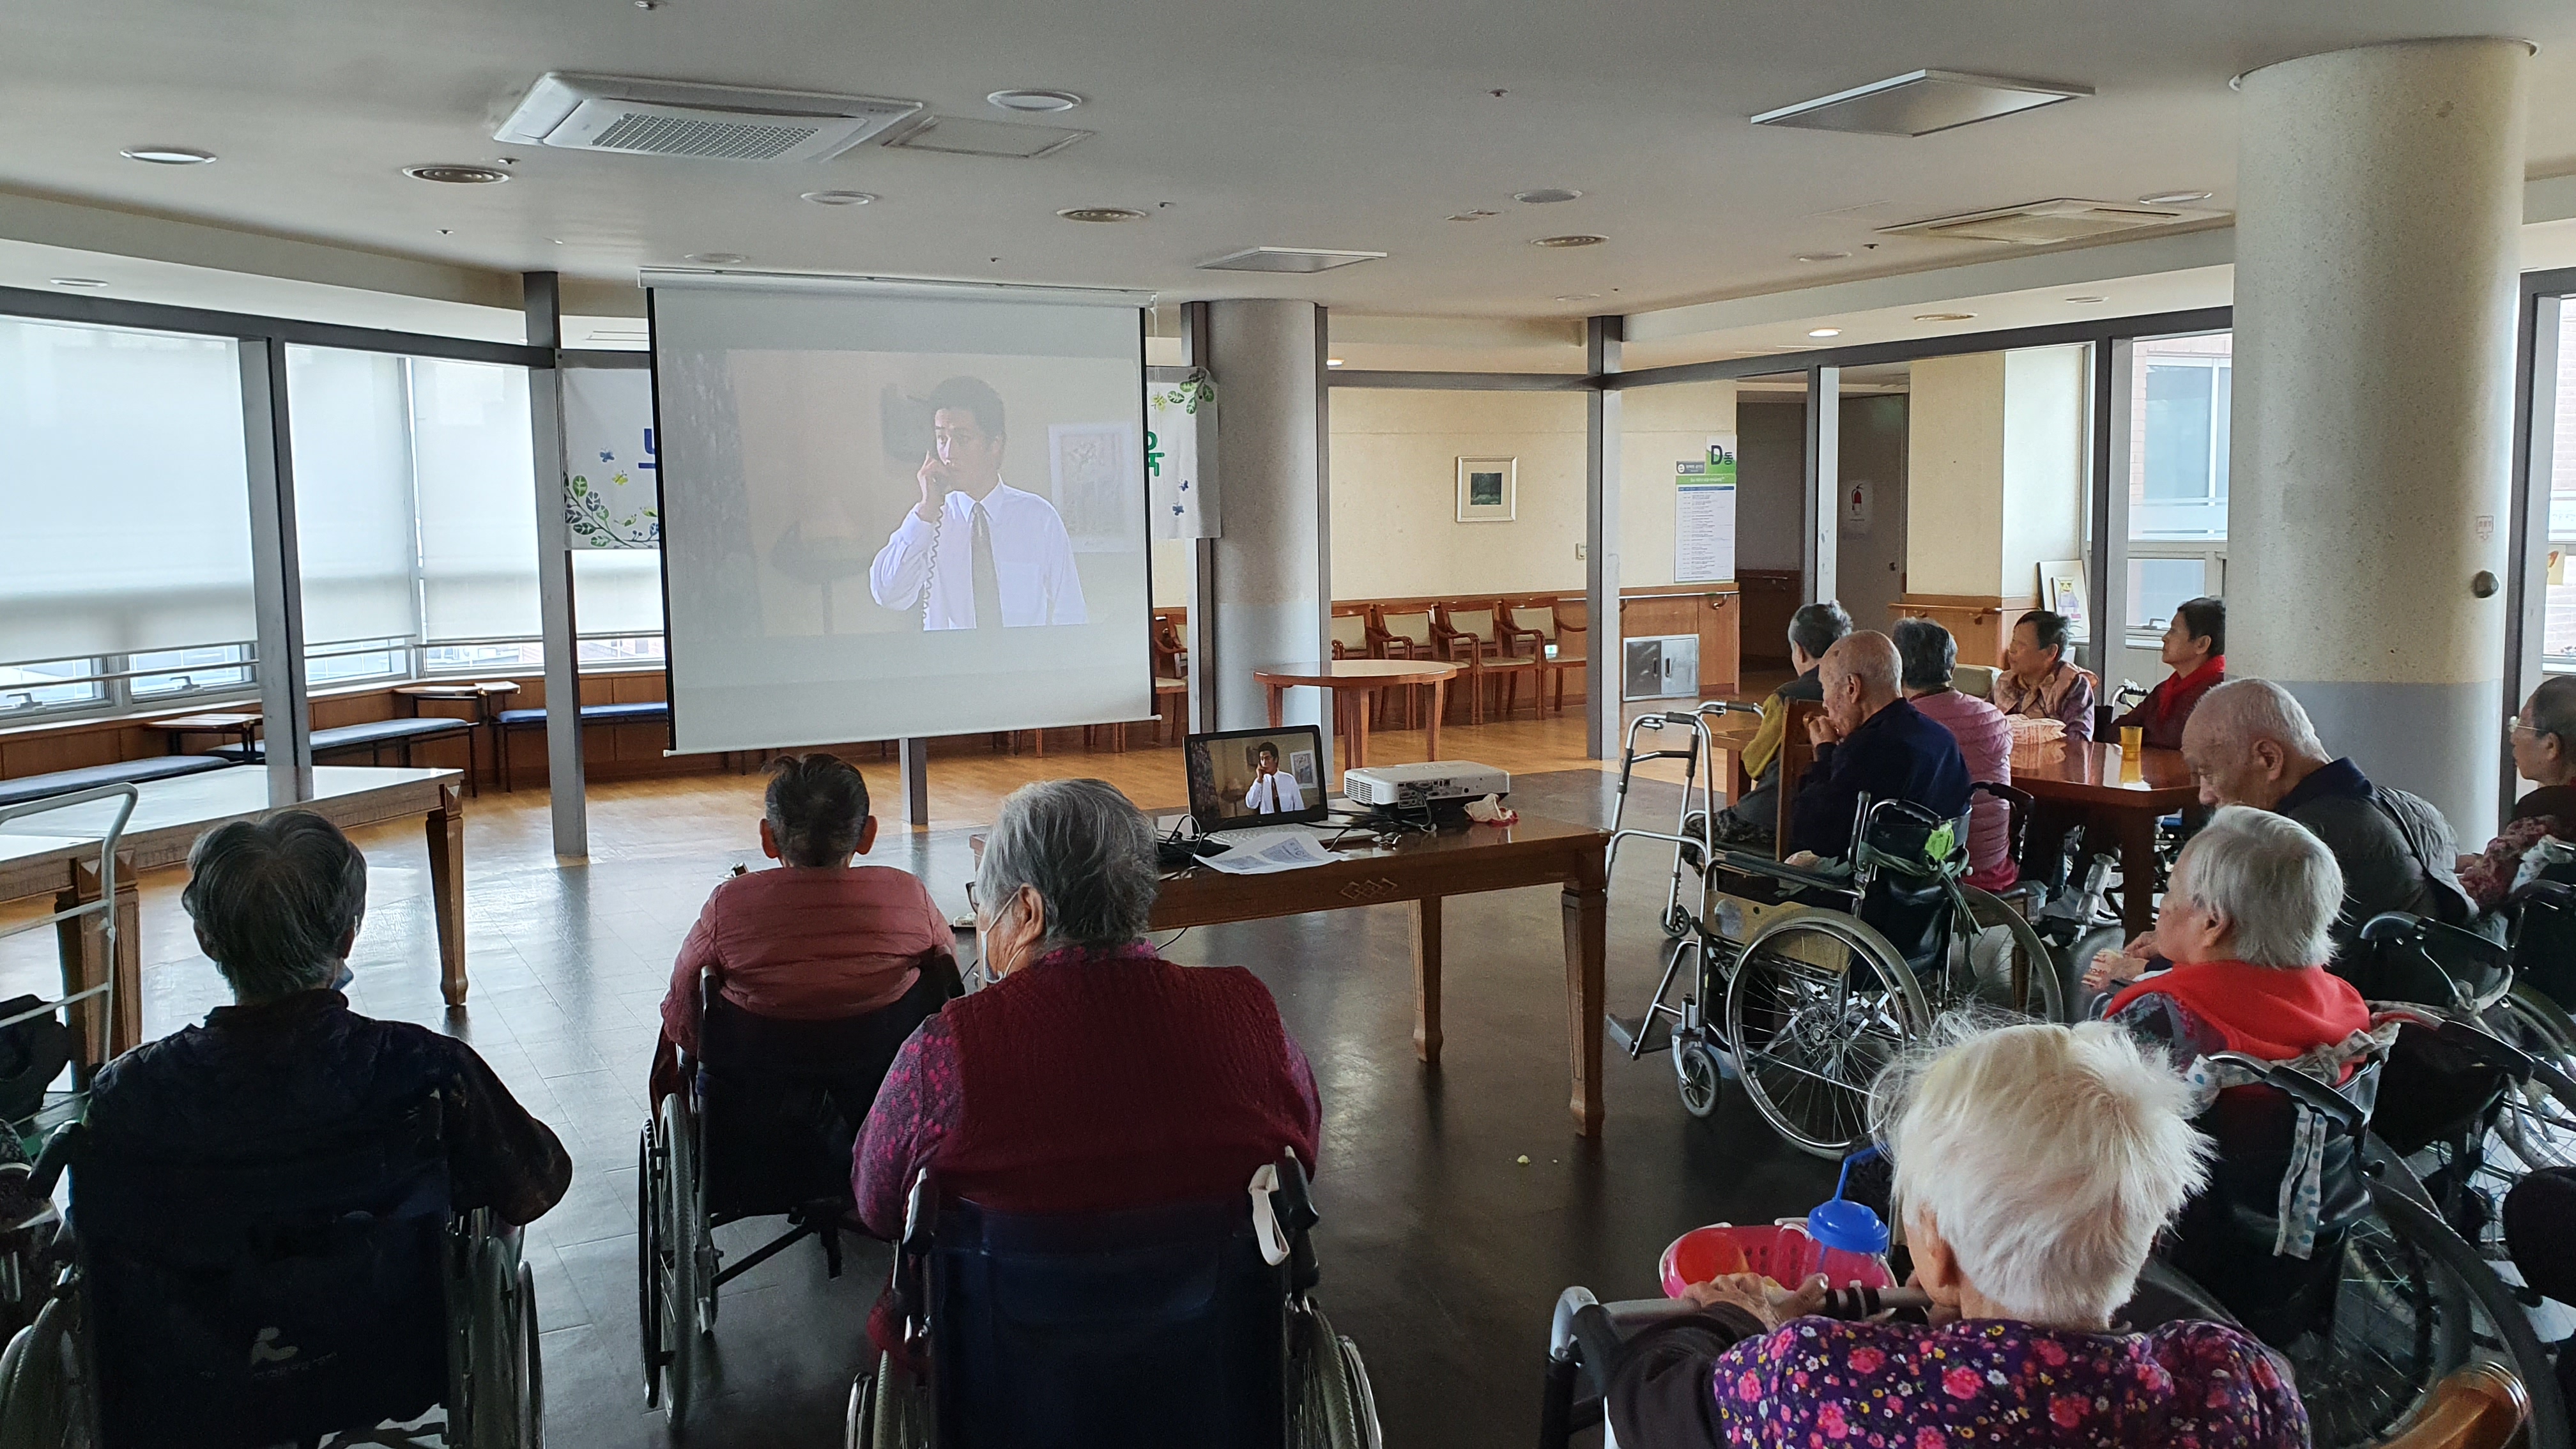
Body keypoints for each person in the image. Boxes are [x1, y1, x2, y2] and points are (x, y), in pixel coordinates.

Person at [1610, 1020, 2304, 1449]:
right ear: (2148, 1240)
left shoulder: (1815, 1377)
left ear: (1936, 1256)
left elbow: (1648, 1402)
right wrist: (1962, 1329)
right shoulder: (2238, 1386)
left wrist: (1733, 1321)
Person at [852, 779, 1321, 1347]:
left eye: (984, 904)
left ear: (1028, 911)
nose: (983, 921)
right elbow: (1301, 1151)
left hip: (1005, 1357)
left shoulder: (948, 1052)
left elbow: (878, 1204)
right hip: (1211, 1350)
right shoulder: (1248, 1014)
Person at [86, 813, 571, 1227]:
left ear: (206, 939)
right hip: (393, 1304)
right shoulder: (427, 1067)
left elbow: (100, 1238)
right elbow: (536, 1182)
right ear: (346, 939)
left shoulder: (131, 1089)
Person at [657, 753, 954, 1059]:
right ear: (868, 834)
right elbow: (950, 981)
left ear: (768, 838)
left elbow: (681, 1017)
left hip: (755, 1081)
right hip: (893, 1078)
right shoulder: (908, 896)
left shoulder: (728, 907)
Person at [2181, 678, 2474, 954]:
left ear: (2269, 759)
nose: (2205, 796)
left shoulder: (2292, 848)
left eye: (2207, 773)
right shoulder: (2417, 808)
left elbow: (2234, 959)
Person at [2082, 806, 2369, 1060]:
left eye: (2170, 892)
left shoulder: (2159, 1018)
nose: (2165, 906)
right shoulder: (2344, 1005)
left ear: (2212, 925)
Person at [867, 376, 1087, 629]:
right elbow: (888, 594)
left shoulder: (1040, 518)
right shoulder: (929, 522)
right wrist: (926, 511)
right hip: (950, 656)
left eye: (962, 439)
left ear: (995, 445)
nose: (949, 453)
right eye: (942, 439)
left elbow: (1071, 612)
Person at [1783, 631, 1972, 866]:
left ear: (1852, 687)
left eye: (1825, 688)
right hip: (1935, 882)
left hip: (1869, 885)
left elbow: (1813, 836)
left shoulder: (1867, 749)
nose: (1825, 703)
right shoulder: (1943, 738)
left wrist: (1825, 753)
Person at [1713, 601, 1851, 845]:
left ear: (1799, 651)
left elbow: (1754, 765)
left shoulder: (1787, 698)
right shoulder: (1856, 693)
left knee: (1696, 831)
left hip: (1774, 818)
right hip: (1837, 819)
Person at [1893, 618, 2016, 891]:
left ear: (1897, 671)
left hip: (1932, 874)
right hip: (1993, 865)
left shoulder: (1905, 725)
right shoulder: (1994, 717)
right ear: (1952, 668)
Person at [2460, 675, 2576, 910]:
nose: (2513, 737)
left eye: (2522, 725)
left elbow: (2474, 896)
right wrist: (2480, 861)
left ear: (2551, 746)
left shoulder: (2542, 819)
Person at [2112, 595, 2224, 749]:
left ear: (2202, 644)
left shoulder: (2219, 695)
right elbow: (2120, 730)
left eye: (2174, 631)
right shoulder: (2165, 690)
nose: (2164, 638)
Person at [1993, 608, 2097, 744]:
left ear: (2051, 652)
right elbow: (1984, 724)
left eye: (2022, 644)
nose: (2012, 649)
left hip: (2054, 757)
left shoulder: (2072, 684)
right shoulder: (2005, 681)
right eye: (2013, 640)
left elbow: (2078, 743)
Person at [1241, 742, 1305, 815]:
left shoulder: (1289, 779)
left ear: (1276, 759)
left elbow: (1299, 805)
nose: (1264, 763)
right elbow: (1251, 804)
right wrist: (1259, 780)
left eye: (1268, 758)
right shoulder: (1259, 783)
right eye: (1262, 759)